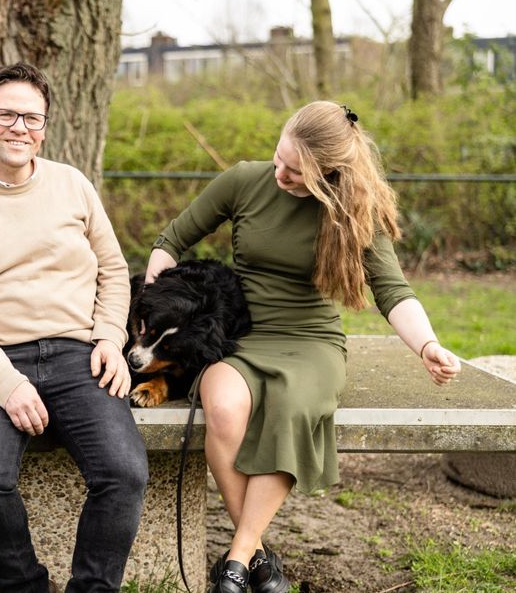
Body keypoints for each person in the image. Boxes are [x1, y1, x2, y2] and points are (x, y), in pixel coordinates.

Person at [145, 101, 461, 593]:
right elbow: (171, 241)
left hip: (311, 342)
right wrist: (158, 302)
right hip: (241, 336)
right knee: (223, 407)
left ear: (329, 174)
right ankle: (259, 558)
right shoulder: (244, 180)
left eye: (295, 172)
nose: (280, 174)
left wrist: (427, 345)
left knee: (291, 407)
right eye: (279, 158)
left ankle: (234, 562)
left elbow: (393, 290)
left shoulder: (356, 212)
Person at [0, 62, 149, 593]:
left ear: (44, 127)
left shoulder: (72, 185)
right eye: (5, 114)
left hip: (80, 355)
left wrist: (110, 340)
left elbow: (115, 271)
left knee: (124, 473)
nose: (18, 127)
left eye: (31, 117)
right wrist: (8, 384)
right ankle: (26, 587)